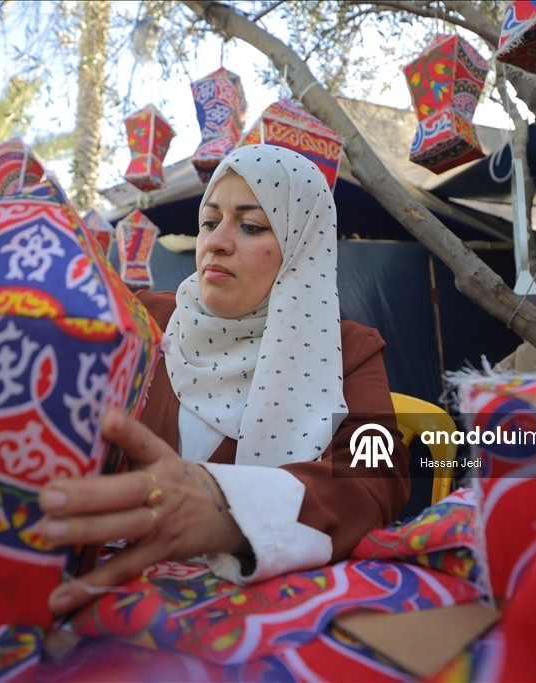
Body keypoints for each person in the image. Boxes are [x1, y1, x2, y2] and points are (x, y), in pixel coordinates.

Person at [39, 144, 410, 615]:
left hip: (251, 610)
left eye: (251, 225)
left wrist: (227, 508)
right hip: (99, 595)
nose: (217, 242)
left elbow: (374, 475)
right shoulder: (141, 322)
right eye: (210, 222)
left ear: (303, 245)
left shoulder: (346, 351)